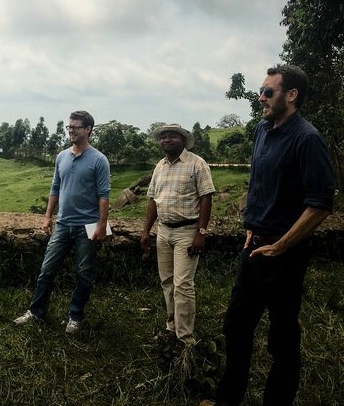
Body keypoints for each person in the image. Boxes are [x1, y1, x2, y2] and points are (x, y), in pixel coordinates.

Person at [203, 66, 336, 406]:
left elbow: (320, 205)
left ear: (291, 95)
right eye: (261, 91)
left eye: (268, 92)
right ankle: (227, 399)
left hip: (284, 255)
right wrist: (251, 223)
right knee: (236, 326)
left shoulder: (307, 139)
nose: (260, 97)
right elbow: (262, 183)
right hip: (254, 246)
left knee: (282, 336)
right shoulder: (263, 129)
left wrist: (281, 245)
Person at [14, 110, 111, 334]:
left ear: (88, 130)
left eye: (76, 127)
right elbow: (55, 188)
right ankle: (36, 312)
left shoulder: (98, 160)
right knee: (47, 270)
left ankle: (76, 317)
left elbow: (104, 195)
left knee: (84, 273)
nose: (71, 131)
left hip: (87, 226)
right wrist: (48, 216)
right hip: (63, 223)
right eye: (70, 127)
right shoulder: (62, 156)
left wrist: (101, 226)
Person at [138, 123, 215, 345]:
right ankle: (172, 328)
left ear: (183, 140)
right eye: (163, 137)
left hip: (187, 232)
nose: (166, 140)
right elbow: (153, 200)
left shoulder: (196, 163)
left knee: (183, 284)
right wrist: (146, 230)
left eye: (172, 136)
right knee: (168, 282)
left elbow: (206, 197)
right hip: (164, 231)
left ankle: (186, 339)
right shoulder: (159, 167)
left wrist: (201, 232)